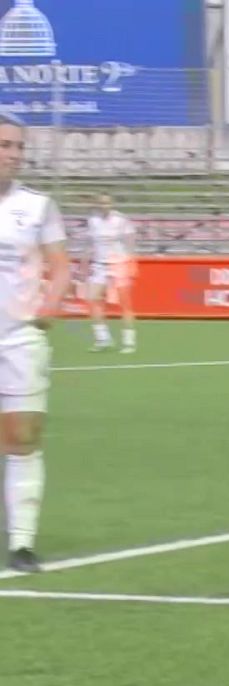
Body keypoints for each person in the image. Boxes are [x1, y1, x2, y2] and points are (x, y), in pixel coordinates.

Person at [0, 114, 71, 572]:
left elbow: (60, 264)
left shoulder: (39, 206)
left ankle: (22, 542)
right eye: (5, 145)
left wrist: (48, 308)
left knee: (21, 436)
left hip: (18, 337)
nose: (12, 154)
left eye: (17, 147)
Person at [82, 193, 137, 354]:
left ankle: (129, 342)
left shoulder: (121, 219)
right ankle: (103, 339)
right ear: (97, 204)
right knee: (92, 299)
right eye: (101, 203)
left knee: (125, 303)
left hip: (118, 263)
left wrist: (130, 261)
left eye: (107, 203)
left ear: (112, 204)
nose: (104, 206)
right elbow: (90, 243)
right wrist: (84, 261)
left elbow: (130, 241)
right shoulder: (93, 220)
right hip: (99, 264)